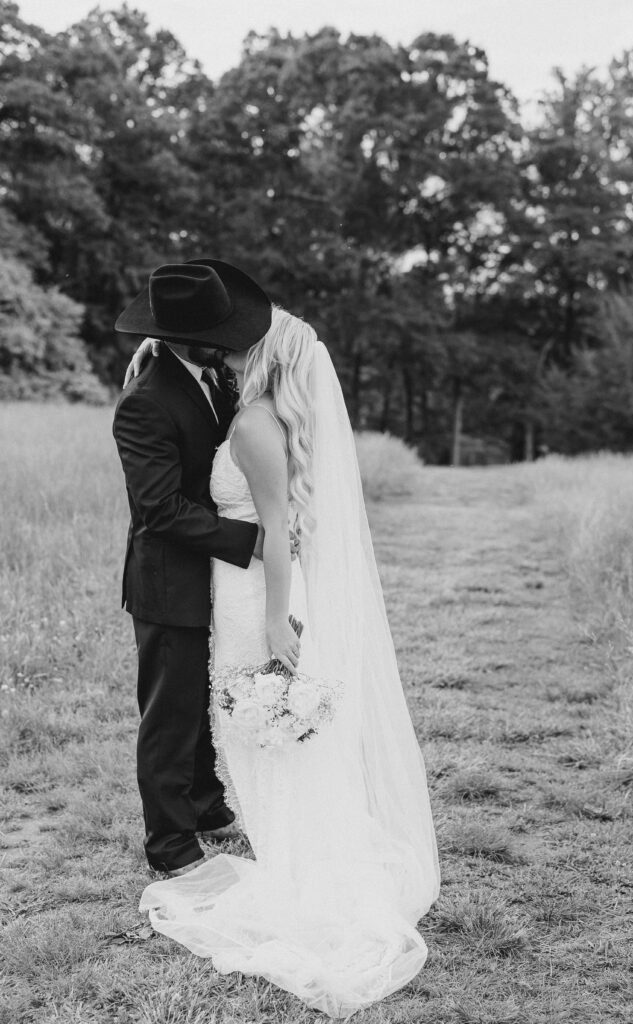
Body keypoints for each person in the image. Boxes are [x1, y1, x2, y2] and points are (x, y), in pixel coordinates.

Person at [126, 307, 440, 1018]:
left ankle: (295, 866)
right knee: (252, 724)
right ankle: (282, 847)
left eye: (243, 341)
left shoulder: (251, 424)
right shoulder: (248, 411)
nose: (229, 344)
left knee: (259, 725)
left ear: (265, 354)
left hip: (252, 593)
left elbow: (272, 527)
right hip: (238, 584)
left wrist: (273, 616)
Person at [112, 259, 296, 876]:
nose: (232, 341)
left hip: (215, 572)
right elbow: (159, 509)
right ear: (188, 337)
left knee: (201, 700)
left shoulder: (211, 376)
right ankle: (170, 844)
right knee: (170, 713)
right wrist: (253, 540)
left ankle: (208, 806)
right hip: (169, 580)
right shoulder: (145, 401)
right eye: (219, 331)